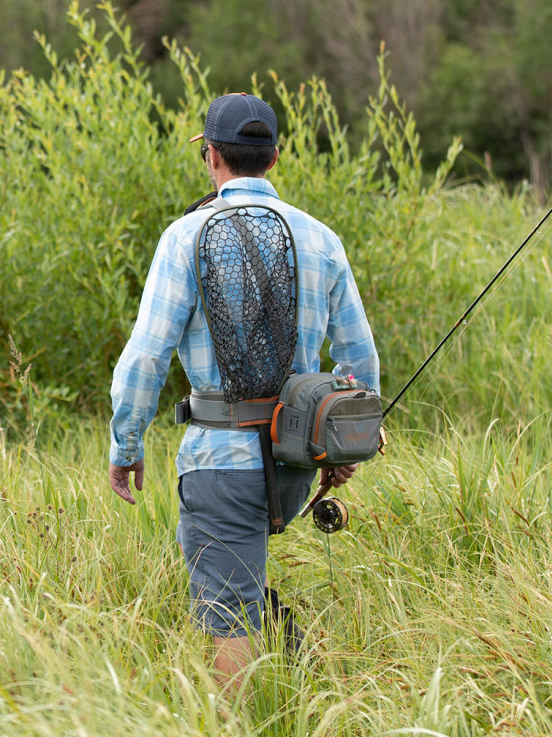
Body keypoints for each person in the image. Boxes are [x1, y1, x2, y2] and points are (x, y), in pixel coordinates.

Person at [107, 91, 380, 683]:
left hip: (218, 458)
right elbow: (360, 358)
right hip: (295, 461)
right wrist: (349, 443)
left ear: (210, 157)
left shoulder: (183, 237)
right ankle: (296, 700)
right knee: (243, 591)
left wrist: (126, 447)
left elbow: (147, 356)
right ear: (275, 159)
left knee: (227, 615)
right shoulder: (321, 239)